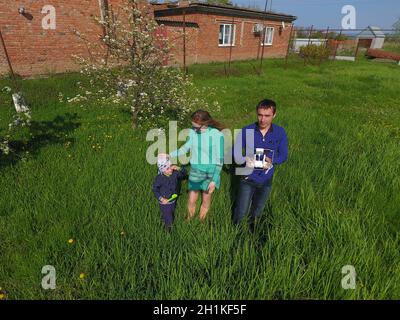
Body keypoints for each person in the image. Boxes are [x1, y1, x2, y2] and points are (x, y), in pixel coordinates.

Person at [233, 99, 288, 231]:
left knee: (257, 212)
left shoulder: (280, 132)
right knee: (241, 212)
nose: (262, 119)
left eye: (267, 116)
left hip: (266, 179)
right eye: (260, 115)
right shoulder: (247, 130)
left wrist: (272, 159)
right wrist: (245, 159)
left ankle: (253, 235)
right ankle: (237, 236)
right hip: (247, 178)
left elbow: (284, 155)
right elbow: (236, 153)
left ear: (274, 115)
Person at [168, 110, 225, 221]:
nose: (194, 129)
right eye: (192, 126)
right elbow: (184, 148)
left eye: (196, 127)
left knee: (205, 200)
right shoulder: (193, 132)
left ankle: (201, 222)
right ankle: (188, 220)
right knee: (191, 200)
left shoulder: (217, 135)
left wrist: (214, 180)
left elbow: (220, 160)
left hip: (211, 172)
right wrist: (169, 155)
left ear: (205, 123)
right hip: (195, 171)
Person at [152, 154, 187, 231]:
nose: (170, 169)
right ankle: (168, 229)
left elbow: (184, 175)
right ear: (162, 170)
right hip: (165, 201)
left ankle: (164, 219)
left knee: (171, 211)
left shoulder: (175, 173)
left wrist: (179, 168)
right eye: (167, 168)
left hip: (173, 199)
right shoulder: (159, 178)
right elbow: (155, 189)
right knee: (169, 217)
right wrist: (161, 198)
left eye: (171, 166)